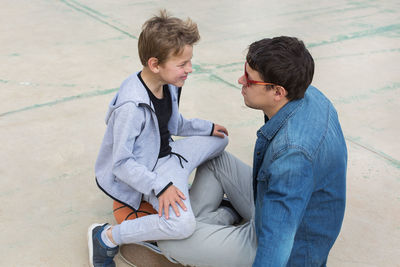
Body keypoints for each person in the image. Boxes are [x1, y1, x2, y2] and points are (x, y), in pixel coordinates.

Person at [157, 36, 347, 267]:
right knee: (216, 160)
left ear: (277, 91)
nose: (240, 80)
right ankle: (219, 218)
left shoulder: (292, 156)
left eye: (249, 79)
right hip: (273, 205)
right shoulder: (306, 92)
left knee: (168, 241)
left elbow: (277, 242)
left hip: (287, 243)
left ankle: (203, 227)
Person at [87, 10, 228, 267]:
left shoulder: (168, 84)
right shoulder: (131, 106)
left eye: (189, 61)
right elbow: (120, 164)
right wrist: (161, 187)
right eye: (183, 64)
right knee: (183, 225)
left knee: (221, 141)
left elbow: (175, 124)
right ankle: (106, 237)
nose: (190, 69)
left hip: (170, 154)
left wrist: (207, 128)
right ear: (155, 64)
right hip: (152, 169)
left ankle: (189, 199)